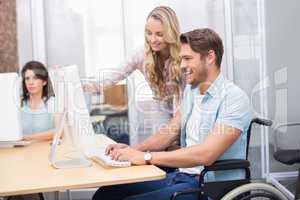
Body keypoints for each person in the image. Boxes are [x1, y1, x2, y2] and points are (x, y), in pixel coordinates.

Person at [92, 28, 252, 200]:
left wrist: (145, 157)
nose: (182, 65)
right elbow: (171, 131)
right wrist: (132, 151)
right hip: (181, 176)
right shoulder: (192, 91)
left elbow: (206, 154)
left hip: (207, 186)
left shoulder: (234, 98)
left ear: (210, 57)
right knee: (107, 193)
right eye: (182, 58)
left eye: (188, 58)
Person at [85, 6, 182, 136]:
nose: (152, 39)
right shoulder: (141, 54)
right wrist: (79, 84)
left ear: (171, 33)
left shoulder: (184, 54)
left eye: (159, 34)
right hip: (160, 106)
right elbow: (114, 75)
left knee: (180, 144)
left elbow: (185, 98)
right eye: (149, 33)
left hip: (184, 106)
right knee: (162, 145)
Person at [21, 61, 59, 141]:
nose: (30, 82)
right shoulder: (20, 104)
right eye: (27, 78)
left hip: (45, 150)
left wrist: (27, 138)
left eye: (35, 78)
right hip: (21, 151)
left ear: (44, 81)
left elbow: (59, 131)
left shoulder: (52, 102)